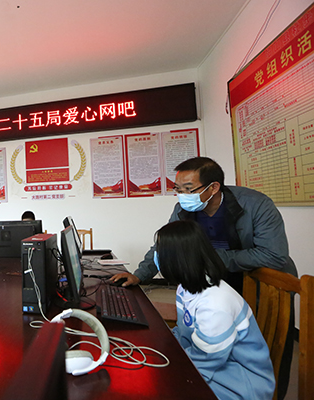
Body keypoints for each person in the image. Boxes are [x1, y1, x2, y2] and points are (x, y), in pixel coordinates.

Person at [111, 156, 296, 399]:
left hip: (263, 281)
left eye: (188, 189)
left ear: (213, 187)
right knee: (219, 336)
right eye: (178, 189)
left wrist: (209, 258)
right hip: (211, 279)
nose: (182, 196)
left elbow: (273, 255)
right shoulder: (185, 209)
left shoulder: (255, 204)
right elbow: (167, 245)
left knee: (263, 347)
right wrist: (139, 276)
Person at [155, 220, 275, 400]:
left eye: (159, 251)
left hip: (242, 383)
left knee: (160, 386)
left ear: (175, 257)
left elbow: (207, 359)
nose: (156, 256)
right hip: (212, 365)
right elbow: (183, 332)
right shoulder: (185, 288)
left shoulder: (215, 304)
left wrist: (169, 368)